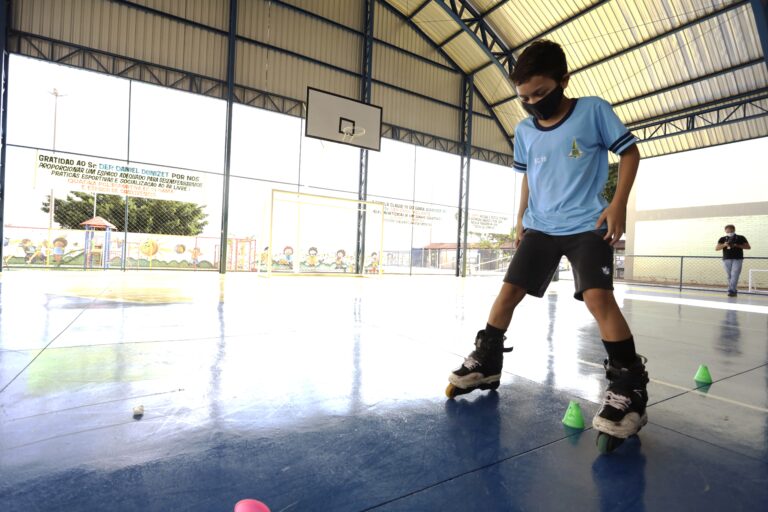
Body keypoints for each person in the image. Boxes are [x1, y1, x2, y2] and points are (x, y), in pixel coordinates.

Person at [446, 40, 647, 445]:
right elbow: (528, 175)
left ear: (562, 80)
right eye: (525, 97)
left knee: (597, 298)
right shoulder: (524, 131)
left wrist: (618, 205)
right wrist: (521, 215)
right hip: (541, 225)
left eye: (540, 92)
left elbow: (630, 154)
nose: (533, 102)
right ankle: (487, 360)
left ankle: (630, 386)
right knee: (507, 294)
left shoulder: (592, 111)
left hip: (586, 223)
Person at [716, 224, 750, 297]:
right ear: (725, 231)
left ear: (734, 230)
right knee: (729, 276)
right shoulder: (722, 239)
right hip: (726, 259)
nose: (729, 233)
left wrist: (736, 245)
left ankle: (731, 290)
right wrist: (724, 245)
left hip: (737, 258)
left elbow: (748, 247)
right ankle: (733, 290)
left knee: (735, 274)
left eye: (731, 231)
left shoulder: (741, 237)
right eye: (727, 231)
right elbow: (717, 248)